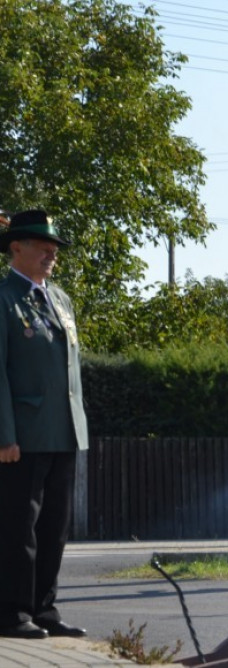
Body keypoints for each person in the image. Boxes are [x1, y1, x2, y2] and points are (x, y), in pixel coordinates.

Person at [0, 209, 88, 639]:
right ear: (16, 248)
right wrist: (4, 434)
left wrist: (78, 426)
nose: (51, 252)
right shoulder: (3, 299)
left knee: (54, 526)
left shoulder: (61, 300)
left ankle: (44, 607)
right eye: (42, 245)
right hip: (23, 435)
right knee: (20, 527)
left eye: (53, 247)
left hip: (63, 431)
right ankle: (13, 612)